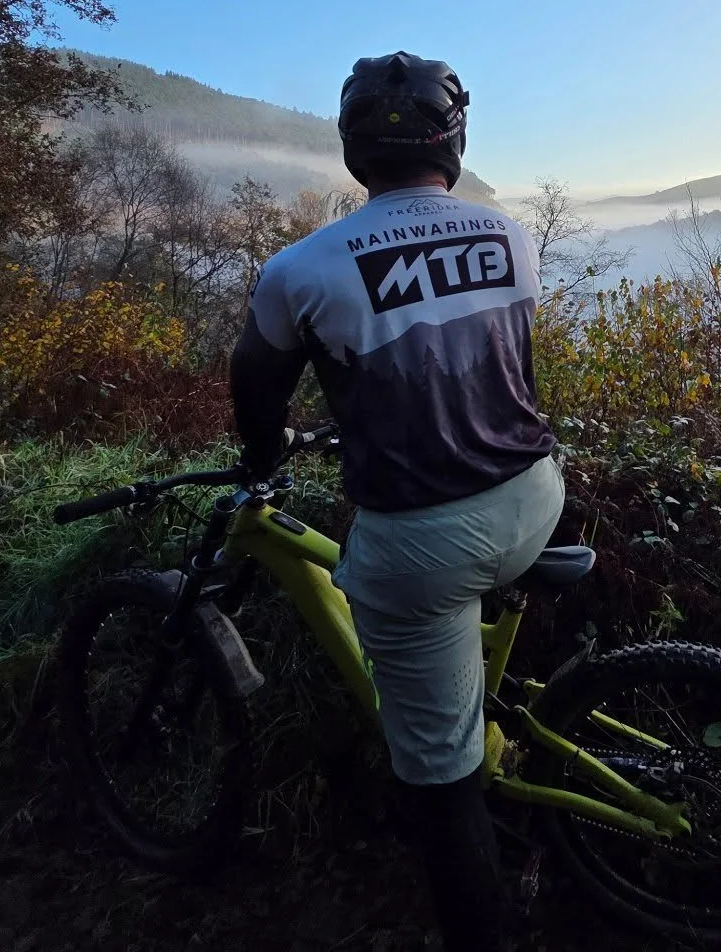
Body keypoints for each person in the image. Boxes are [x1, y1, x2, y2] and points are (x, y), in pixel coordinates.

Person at [229, 51, 562, 952]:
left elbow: (256, 386)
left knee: (438, 773)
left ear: (352, 146)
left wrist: (262, 454)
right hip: (535, 494)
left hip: (424, 543)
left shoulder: (302, 267)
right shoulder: (511, 235)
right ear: (453, 140)